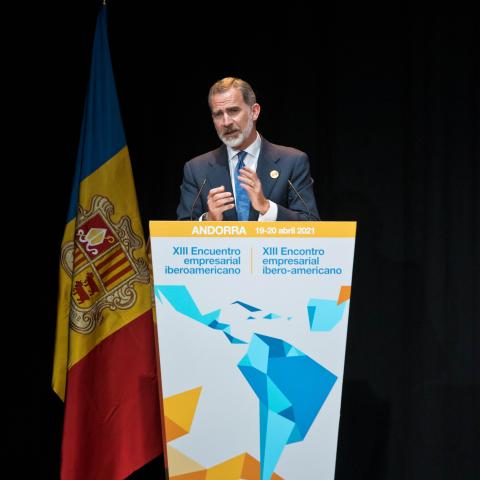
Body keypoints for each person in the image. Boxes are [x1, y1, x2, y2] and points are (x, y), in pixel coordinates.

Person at [176, 77, 320, 221]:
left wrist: (266, 208)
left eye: (233, 111)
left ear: (254, 111)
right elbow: (180, 231)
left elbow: (311, 223)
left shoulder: (292, 162)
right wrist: (209, 220)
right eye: (218, 114)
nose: (226, 122)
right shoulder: (196, 169)